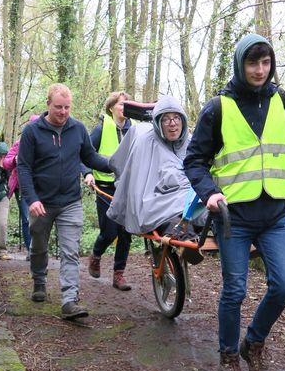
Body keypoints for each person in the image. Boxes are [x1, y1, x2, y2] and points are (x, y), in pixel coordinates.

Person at [184, 33, 285, 371]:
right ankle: (228, 357)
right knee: (235, 291)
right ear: (239, 64)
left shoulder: (284, 102)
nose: (260, 70)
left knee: (284, 285)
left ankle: (253, 343)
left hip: (275, 212)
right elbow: (194, 160)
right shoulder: (218, 108)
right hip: (235, 217)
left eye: (266, 62)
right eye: (252, 63)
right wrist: (210, 194)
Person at [17, 83, 112, 320]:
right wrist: (32, 199)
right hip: (42, 202)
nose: (63, 112)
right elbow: (24, 167)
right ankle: (39, 280)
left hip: (70, 201)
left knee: (70, 252)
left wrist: (115, 164)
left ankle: (70, 300)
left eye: (67, 107)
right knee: (39, 246)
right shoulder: (32, 131)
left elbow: (90, 157)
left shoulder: (78, 129)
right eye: (58, 107)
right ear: (48, 104)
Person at [106, 95, 192, 235]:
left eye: (176, 117)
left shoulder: (191, 142)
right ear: (158, 122)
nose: (172, 123)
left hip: (190, 199)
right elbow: (137, 184)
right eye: (166, 119)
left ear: (183, 120)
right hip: (159, 200)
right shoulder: (145, 142)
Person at [82, 91, 134, 291]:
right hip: (105, 187)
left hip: (128, 187)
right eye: (121, 104)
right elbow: (83, 154)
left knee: (126, 232)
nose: (125, 107)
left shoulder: (136, 129)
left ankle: (118, 274)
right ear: (111, 107)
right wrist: (87, 173)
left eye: (127, 104)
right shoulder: (101, 129)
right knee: (110, 231)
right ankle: (96, 255)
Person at [3, 114, 40, 260]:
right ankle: (31, 250)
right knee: (26, 218)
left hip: (41, 186)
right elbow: (6, 162)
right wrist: (15, 159)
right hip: (23, 186)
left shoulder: (46, 143)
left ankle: (38, 248)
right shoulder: (19, 144)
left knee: (40, 219)